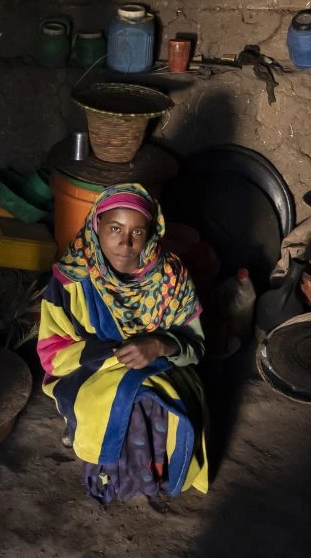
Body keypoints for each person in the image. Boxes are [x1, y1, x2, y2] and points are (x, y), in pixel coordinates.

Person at [38, 183, 208, 504]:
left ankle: (152, 477)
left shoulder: (170, 277)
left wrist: (160, 346)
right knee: (115, 400)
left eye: (138, 232)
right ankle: (110, 475)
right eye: (115, 228)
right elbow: (53, 351)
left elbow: (195, 347)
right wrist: (112, 356)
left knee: (153, 401)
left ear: (151, 233)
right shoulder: (71, 280)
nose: (126, 243)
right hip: (89, 369)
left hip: (166, 366)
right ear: (96, 225)